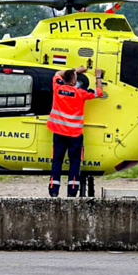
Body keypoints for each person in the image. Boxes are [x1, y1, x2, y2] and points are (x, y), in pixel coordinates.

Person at [47, 65, 105, 197]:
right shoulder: (80, 93)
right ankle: (72, 191)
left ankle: (53, 190)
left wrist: (75, 70)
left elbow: (57, 73)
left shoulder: (58, 87)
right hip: (75, 135)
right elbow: (99, 92)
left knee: (57, 161)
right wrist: (98, 76)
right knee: (74, 162)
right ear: (73, 81)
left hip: (59, 133)